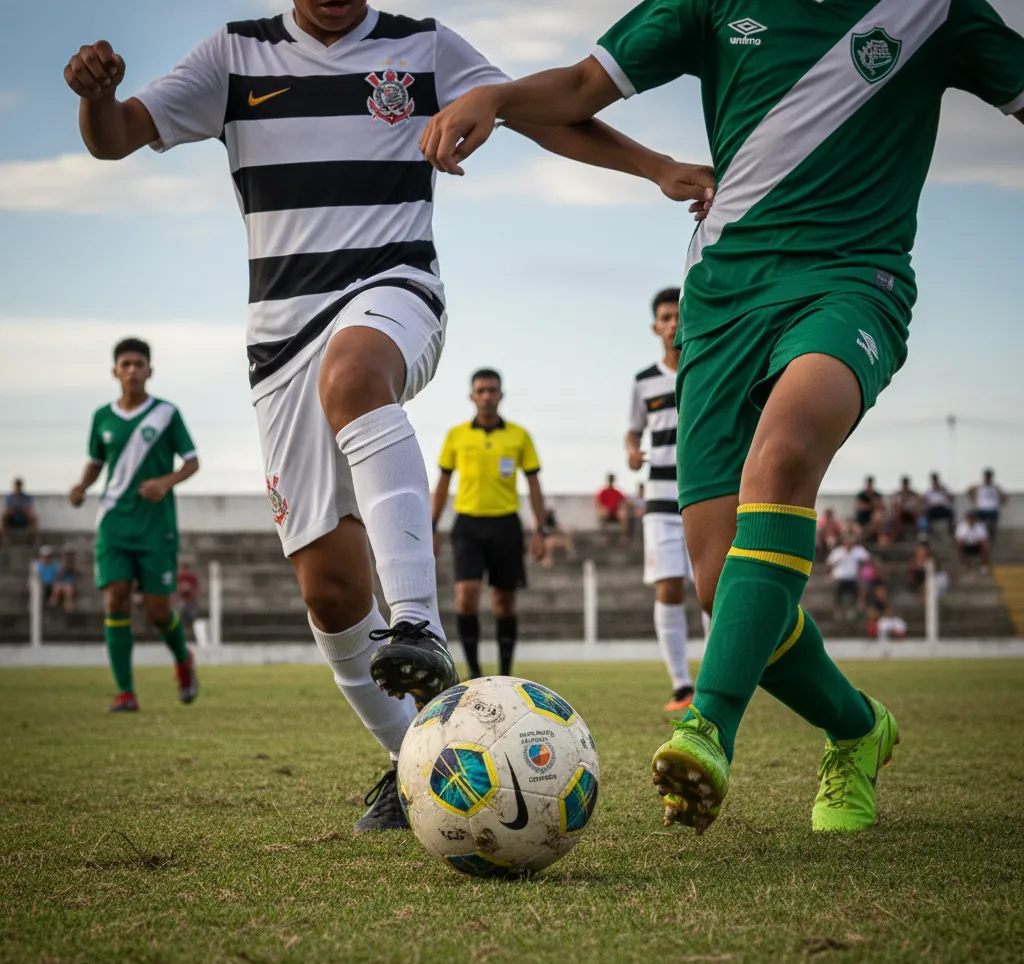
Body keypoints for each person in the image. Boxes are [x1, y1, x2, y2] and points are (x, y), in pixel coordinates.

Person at [64, 1, 715, 830]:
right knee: (331, 591)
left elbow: (540, 116)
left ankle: (417, 622)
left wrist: (656, 166)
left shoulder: (424, 45)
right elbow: (115, 134)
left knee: (355, 372)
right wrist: (94, 95)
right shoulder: (233, 55)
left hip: (394, 290)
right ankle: (415, 767)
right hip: (277, 343)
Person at [421, 0, 1024, 834]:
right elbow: (584, 84)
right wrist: (496, 97)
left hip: (852, 283)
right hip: (723, 300)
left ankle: (708, 727)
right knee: (719, 581)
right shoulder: (712, 2)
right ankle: (858, 730)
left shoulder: (935, 10)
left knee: (781, 459)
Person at [68, 338, 201, 712]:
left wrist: (165, 482)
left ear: (149, 370)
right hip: (113, 523)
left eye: (138, 364)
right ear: (115, 371)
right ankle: (126, 692)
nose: (131, 370)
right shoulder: (102, 417)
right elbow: (96, 461)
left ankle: (182, 659)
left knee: (159, 612)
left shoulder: (166, 414)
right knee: (115, 598)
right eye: (125, 364)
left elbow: (192, 462)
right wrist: (82, 485)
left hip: (156, 527)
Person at [432, 369, 547, 680]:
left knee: (504, 601)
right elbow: (442, 483)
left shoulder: (519, 435)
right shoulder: (456, 435)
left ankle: (506, 674)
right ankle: (474, 672)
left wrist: (541, 528)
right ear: (472, 395)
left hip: (506, 525)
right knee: (467, 594)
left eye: (492, 390)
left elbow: (534, 483)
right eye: (480, 390)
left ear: (501, 395)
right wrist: (431, 526)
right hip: (467, 524)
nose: (486, 396)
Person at [626, 287, 695, 712]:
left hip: (704, 493)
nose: (672, 323)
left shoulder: (705, 365)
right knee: (669, 588)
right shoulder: (643, 380)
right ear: (655, 326)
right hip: (661, 500)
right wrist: (632, 451)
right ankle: (682, 686)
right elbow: (633, 431)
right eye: (665, 317)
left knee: (712, 589)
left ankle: (716, 683)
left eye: (678, 316)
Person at [826, 535, 869, 622]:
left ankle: (852, 610)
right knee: (837, 590)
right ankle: (838, 610)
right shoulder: (837, 552)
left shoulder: (858, 552)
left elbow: (867, 559)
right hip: (840, 578)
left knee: (858, 589)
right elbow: (829, 563)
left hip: (852, 578)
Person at [969, 468, 1006, 541]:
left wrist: (1000, 502)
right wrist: (974, 498)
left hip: (993, 508)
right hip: (981, 508)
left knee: (993, 523)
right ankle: (979, 536)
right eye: (987, 477)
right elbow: (969, 491)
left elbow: (1003, 496)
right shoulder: (979, 486)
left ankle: (991, 535)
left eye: (989, 477)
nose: (988, 479)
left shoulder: (996, 487)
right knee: (978, 522)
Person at [595, 473, 630, 543]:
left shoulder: (617, 492)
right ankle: (605, 536)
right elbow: (598, 503)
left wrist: (622, 509)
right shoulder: (602, 492)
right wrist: (603, 509)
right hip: (607, 513)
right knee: (603, 515)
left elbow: (624, 501)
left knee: (623, 515)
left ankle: (623, 537)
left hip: (616, 513)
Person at [2, 479, 38, 545]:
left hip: (24, 519)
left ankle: (33, 537)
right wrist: (18, 509)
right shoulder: (10, 497)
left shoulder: (27, 497)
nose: (17, 488)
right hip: (12, 519)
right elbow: (9, 509)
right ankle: (4, 537)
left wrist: (19, 509)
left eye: (19, 486)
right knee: (4, 515)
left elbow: (28, 508)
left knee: (33, 516)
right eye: (16, 486)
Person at [890, 476, 921, 541]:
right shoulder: (897, 495)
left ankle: (918, 533)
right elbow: (895, 505)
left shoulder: (913, 495)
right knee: (897, 515)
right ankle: (897, 534)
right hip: (901, 513)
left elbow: (915, 506)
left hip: (910, 513)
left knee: (917, 515)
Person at [174, 558, 201, 634]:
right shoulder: (176, 577)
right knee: (179, 610)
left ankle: (190, 628)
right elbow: (173, 590)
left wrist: (190, 589)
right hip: (179, 600)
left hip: (190, 601)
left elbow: (196, 589)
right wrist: (180, 589)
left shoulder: (192, 578)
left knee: (191, 612)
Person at [49, 546, 78, 614]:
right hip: (60, 584)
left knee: (68, 589)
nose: (68, 557)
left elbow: (73, 579)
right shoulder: (58, 564)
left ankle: (68, 607)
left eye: (70, 555)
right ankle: (53, 604)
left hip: (69, 585)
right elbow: (57, 577)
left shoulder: (74, 566)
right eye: (67, 555)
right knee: (57, 587)